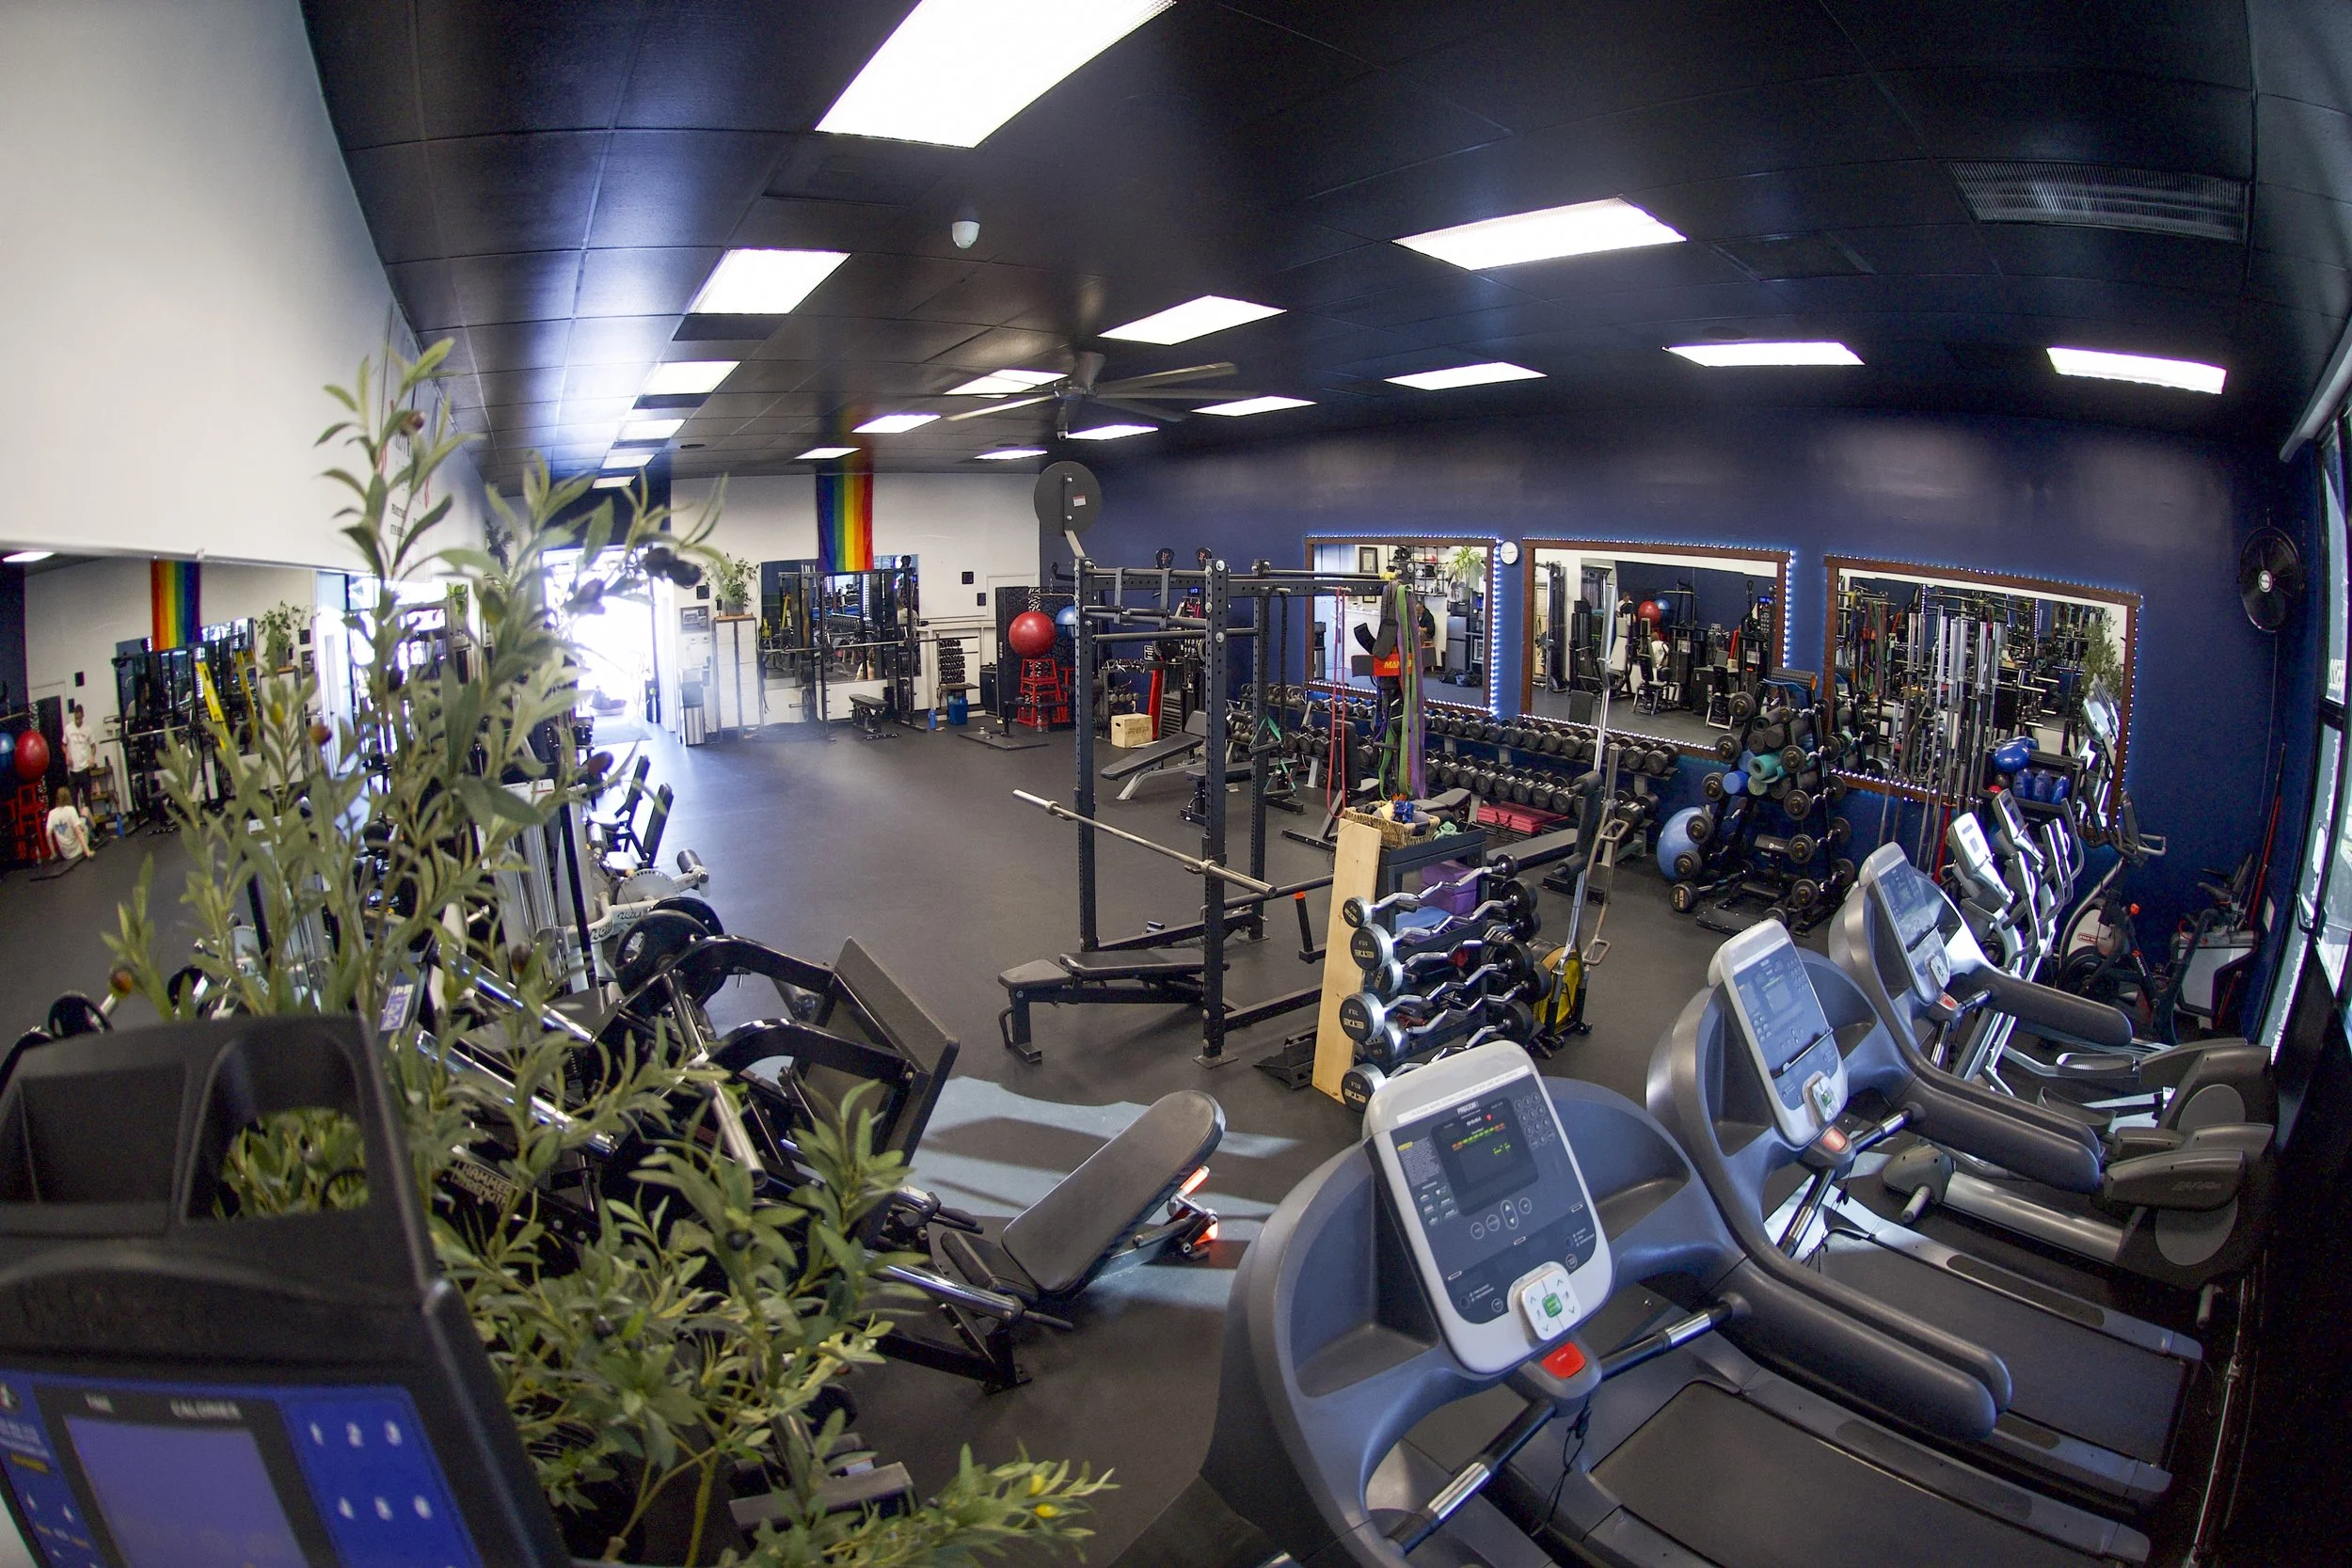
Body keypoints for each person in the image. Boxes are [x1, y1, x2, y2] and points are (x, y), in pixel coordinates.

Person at [45, 786, 91, 863]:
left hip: (66, 854)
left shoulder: (51, 813)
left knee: (78, 823)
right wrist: (88, 852)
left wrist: (53, 853)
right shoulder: (71, 810)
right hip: (78, 849)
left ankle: (92, 834)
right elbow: (79, 832)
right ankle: (95, 833)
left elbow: (47, 834)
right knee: (85, 810)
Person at [62, 704, 96, 796]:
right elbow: (63, 745)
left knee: (87, 798)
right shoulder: (68, 728)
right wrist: (67, 755)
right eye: (76, 718)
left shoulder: (88, 729)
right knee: (73, 799)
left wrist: (92, 757)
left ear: (83, 716)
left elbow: (93, 746)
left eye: (79, 719)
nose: (77, 721)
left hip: (84, 768)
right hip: (73, 770)